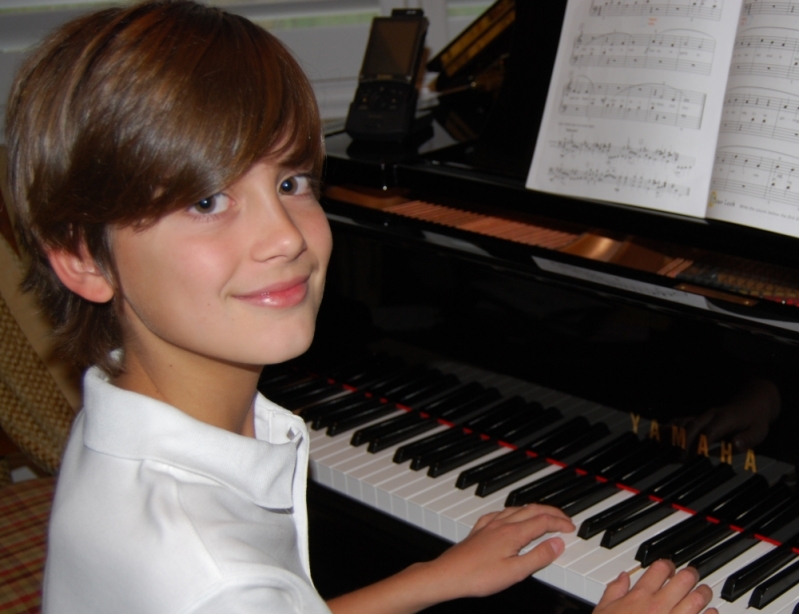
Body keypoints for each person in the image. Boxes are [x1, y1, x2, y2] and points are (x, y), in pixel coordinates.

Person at [4, 2, 718, 613]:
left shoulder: (119, 411)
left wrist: (423, 580)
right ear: (82, 258)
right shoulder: (214, 578)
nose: (284, 238)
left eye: (291, 182)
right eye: (206, 201)